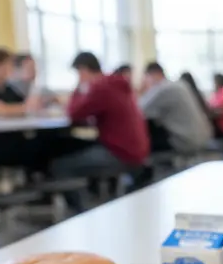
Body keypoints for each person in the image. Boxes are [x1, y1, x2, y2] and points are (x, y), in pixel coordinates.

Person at [51, 52, 150, 197]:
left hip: (121, 153)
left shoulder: (100, 87)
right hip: (136, 150)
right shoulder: (114, 84)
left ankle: (80, 212)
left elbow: (74, 113)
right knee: (83, 151)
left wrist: (78, 89)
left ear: (83, 70)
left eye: (78, 74)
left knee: (60, 165)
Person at [137, 62, 212, 154]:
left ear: (153, 75)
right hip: (202, 137)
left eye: (146, 77)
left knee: (143, 136)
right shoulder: (180, 85)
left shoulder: (163, 88)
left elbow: (138, 110)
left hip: (186, 142)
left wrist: (141, 91)